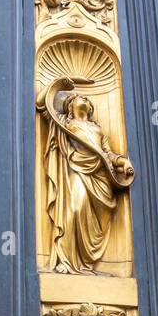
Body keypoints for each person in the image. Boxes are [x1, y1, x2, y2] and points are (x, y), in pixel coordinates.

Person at [39, 80, 134, 274]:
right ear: (70, 107)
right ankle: (67, 261)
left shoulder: (98, 129)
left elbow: (107, 154)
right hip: (77, 170)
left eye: (86, 99)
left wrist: (123, 162)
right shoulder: (64, 123)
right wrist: (59, 83)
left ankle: (84, 262)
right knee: (73, 209)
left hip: (100, 176)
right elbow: (43, 104)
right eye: (79, 97)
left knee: (90, 217)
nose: (84, 99)